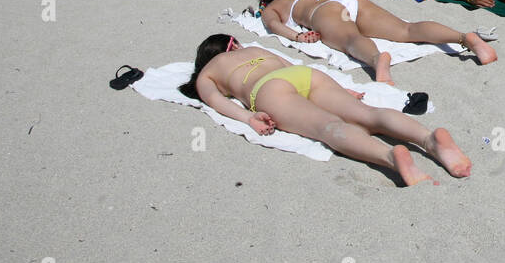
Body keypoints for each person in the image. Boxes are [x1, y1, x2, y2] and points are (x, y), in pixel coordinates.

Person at [180, 34, 470, 186]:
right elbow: (290, 68)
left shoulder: (207, 72)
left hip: (268, 89)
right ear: (233, 45)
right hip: (307, 76)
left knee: (328, 127)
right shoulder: (255, 51)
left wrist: (248, 117)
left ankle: (390, 157)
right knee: (367, 114)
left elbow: (216, 101)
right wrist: (343, 90)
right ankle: (429, 139)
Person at [258, 0, 497, 84]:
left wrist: (298, 37)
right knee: (407, 30)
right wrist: (363, 11)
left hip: (323, 13)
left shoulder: (277, 4)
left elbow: (273, 24)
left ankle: (376, 60)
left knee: (351, 40)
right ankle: (467, 39)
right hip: (348, 3)